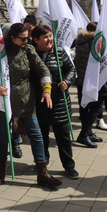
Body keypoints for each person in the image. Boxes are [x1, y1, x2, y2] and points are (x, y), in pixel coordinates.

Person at [0, 23, 61, 189]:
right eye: (23, 38)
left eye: (28, 37)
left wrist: (47, 90)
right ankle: (1, 171)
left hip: (26, 100)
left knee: (36, 136)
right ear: (12, 38)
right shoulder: (0, 53)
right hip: (4, 102)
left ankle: (42, 173)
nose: (27, 40)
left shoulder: (28, 50)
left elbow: (43, 70)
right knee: (2, 138)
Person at [32, 25, 78, 179]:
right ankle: (43, 163)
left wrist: (66, 81)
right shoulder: (31, 53)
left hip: (59, 102)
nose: (49, 39)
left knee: (63, 138)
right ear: (36, 40)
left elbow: (71, 69)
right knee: (41, 136)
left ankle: (69, 166)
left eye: (50, 36)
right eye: (45, 37)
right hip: (39, 103)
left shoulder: (58, 51)